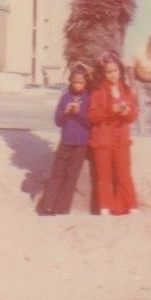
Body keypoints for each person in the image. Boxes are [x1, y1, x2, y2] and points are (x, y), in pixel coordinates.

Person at [87, 51, 139, 216]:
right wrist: (110, 111)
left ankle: (131, 206)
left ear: (120, 71)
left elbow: (133, 116)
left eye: (115, 71)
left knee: (124, 173)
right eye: (108, 72)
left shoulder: (127, 90)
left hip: (121, 139)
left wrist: (127, 112)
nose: (112, 75)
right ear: (103, 73)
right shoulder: (97, 91)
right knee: (104, 176)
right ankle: (105, 207)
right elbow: (92, 116)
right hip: (102, 139)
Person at [36, 67, 91, 216]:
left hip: (81, 144)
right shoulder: (65, 97)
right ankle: (48, 207)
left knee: (71, 177)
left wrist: (79, 113)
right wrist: (65, 112)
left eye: (81, 82)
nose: (77, 85)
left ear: (86, 83)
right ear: (70, 82)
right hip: (65, 142)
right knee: (57, 174)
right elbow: (57, 121)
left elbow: (91, 122)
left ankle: (62, 209)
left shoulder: (89, 98)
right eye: (75, 82)